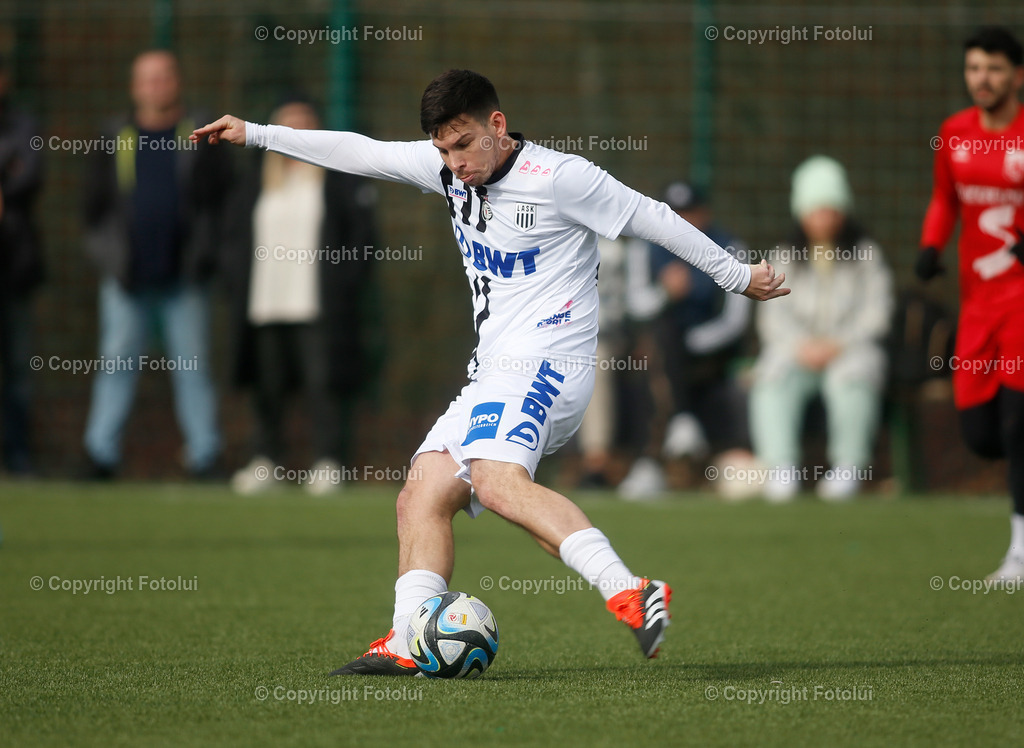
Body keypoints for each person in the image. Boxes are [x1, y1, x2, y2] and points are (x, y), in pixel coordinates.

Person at [192, 69, 788, 674]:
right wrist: (259, 134)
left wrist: (737, 276)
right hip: (493, 373)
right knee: (421, 493)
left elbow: (653, 217)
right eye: (442, 150)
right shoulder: (447, 170)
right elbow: (359, 151)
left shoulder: (561, 178)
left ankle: (631, 591)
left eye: (463, 144)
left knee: (497, 480)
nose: (454, 162)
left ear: (496, 126)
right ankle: (408, 638)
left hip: (552, 362)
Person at [81, 50, 232, 479]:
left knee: (194, 368)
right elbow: (93, 211)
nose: (156, 86)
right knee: (115, 366)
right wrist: (111, 260)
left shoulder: (200, 134)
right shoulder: (114, 136)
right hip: (126, 279)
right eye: (147, 79)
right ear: (134, 87)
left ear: (177, 82)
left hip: (185, 278)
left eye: (164, 77)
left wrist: (204, 255)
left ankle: (205, 457)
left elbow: (221, 204)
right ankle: (100, 455)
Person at [223, 98, 380, 496]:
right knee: (267, 386)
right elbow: (232, 241)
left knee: (323, 385)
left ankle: (328, 463)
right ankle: (266, 462)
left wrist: (345, 284)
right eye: (287, 127)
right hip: (265, 303)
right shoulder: (255, 180)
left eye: (303, 127)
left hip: (318, 305)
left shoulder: (339, 180)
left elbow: (363, 240)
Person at [918, 27, 1024, 580]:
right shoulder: (954, 133)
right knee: (982, 436)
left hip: (1023, 303)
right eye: (975, 68)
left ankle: (1019, 553)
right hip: (978, 303)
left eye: (996, 69)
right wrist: (931, 245)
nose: (983, 79)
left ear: (1018, 76)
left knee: (1016, 426)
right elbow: (945, 198)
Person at [750, 156, 894, 501]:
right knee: (772, 373)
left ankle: (848, 467)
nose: (824, 218)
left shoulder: (865, 255)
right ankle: (781, 468)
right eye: (816, 209)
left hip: (849, 351)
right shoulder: (784, 255)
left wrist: (838, 344)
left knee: (854, 376)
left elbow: (878, 312)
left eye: (831, 209)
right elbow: (771, 317)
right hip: (797, 352)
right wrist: (801, 346)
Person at [618, 181, 756, 500]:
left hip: (710, 350)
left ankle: (650, 462)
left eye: (690, 213)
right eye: (675, 213)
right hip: (660, 345)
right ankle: (674, 433)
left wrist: (687, 344)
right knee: (659, 342)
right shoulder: (644, 247)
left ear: (704, 214)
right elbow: (636, 305)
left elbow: (733, 321)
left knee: (664, 351)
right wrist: (666, 292)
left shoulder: (730, 246)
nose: (683, 221)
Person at [0, 54, 44, 477]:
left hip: (13, 265)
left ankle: (19, 457)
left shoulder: (24, 127)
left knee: (17, 367)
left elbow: (25, 179)